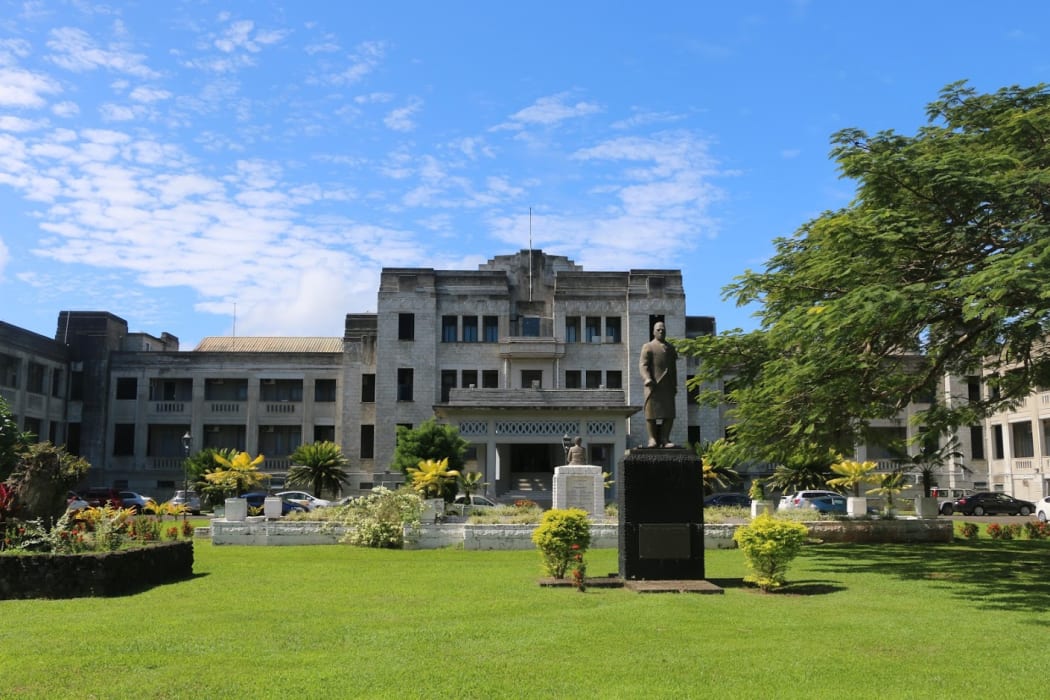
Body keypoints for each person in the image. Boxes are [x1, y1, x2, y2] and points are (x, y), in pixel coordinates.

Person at [638, 320, 678, 447]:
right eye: (658, 330)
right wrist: (647, 379)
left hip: (667, 386)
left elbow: (674, 368)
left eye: (663, 329)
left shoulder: (671, 348)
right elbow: (643, 365)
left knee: (669, 414)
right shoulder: (648, 346)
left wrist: (674, 385)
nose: (661, 331)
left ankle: (665, 439)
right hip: (653, 386)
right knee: (651, 414)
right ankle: (652, 439)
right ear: (653, 332)